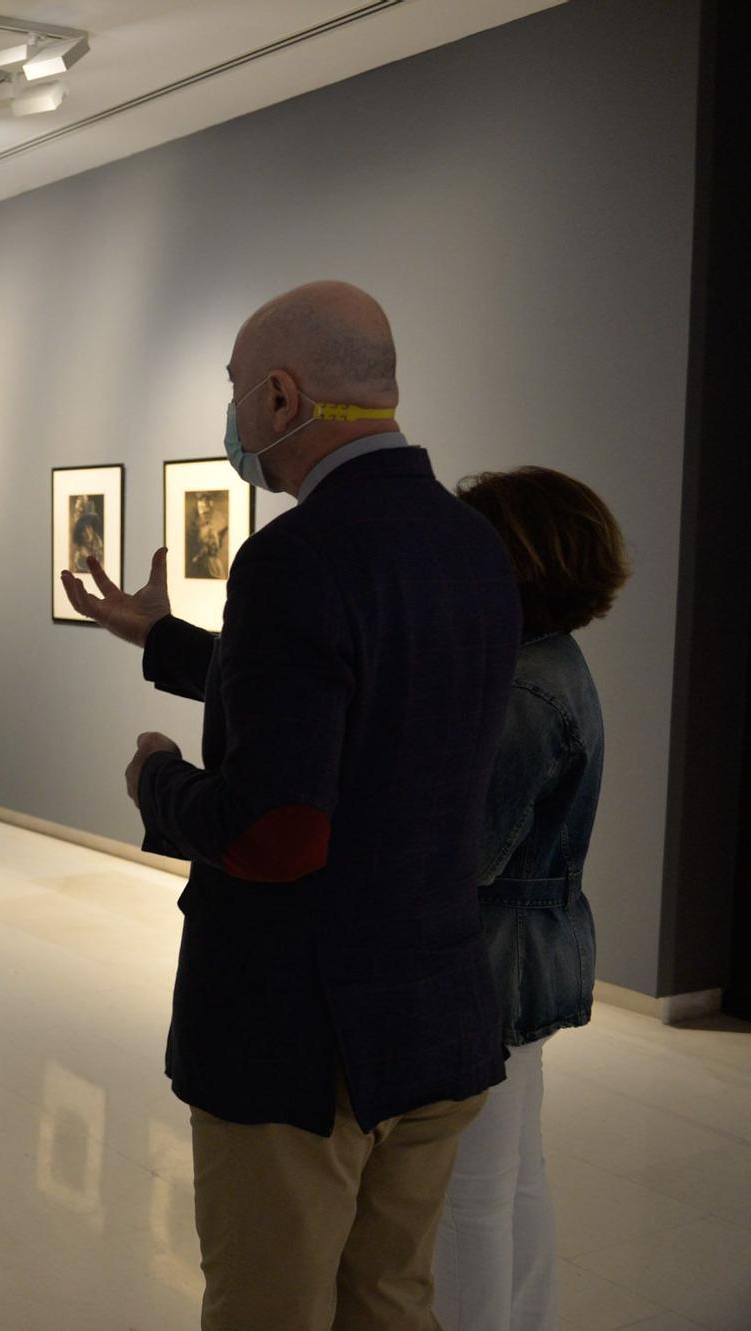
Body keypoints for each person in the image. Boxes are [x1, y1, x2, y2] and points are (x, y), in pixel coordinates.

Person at [62, 281, 521, 1330]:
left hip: (304, 1043)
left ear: (278, 395)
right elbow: (352, 688)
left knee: (269, 1307)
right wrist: (162, 638)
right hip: (435, 1015)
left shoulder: (294, 555)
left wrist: (155, 779)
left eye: (231, 389)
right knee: (390, 1300)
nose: (229, 416)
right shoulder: (470, 546)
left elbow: (275, 833)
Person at [433, 467, 628, 1331]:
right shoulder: (553, 665)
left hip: (495, 965)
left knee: (473, 1191)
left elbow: (467, 851)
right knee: (515, 1172)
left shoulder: (524, 689)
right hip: (532, 955)